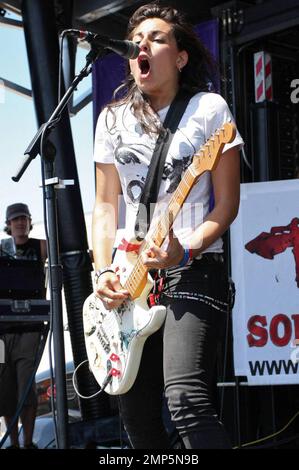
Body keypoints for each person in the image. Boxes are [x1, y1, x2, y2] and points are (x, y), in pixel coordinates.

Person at [92, 2, 244, 449]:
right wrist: (103, 272)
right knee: (135, 417)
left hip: (192, 267)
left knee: (185, 397)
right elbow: (104, 206)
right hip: (128, 274)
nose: (143, 45)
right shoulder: (111, 119)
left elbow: (227, 204)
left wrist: (187, 249)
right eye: (137, 41)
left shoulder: (208, 109)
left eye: (156, 38)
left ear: (180, 57)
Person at [0, 203, 47, 449]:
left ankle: (28, 443)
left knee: (26, 386)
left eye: (23, 219)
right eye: (15, 220)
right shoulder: (1, 248)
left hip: (30, 328)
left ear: (29, 221)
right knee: (4, 388)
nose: (19, 223)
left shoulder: (40, 247)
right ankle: (14, 443)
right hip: (1, 333)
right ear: (8, 225)